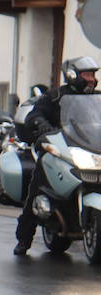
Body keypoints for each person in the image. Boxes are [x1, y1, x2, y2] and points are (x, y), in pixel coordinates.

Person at [14, 56, 100, 255]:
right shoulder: (55, 96)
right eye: (87, 75)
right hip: (59, 148)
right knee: (36, 187)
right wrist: (41, 124)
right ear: (72, 75)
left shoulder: (97, 99)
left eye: (93, 75)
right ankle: (24, 239)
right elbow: (36, 114)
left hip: (89, 149)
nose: (91, 79)